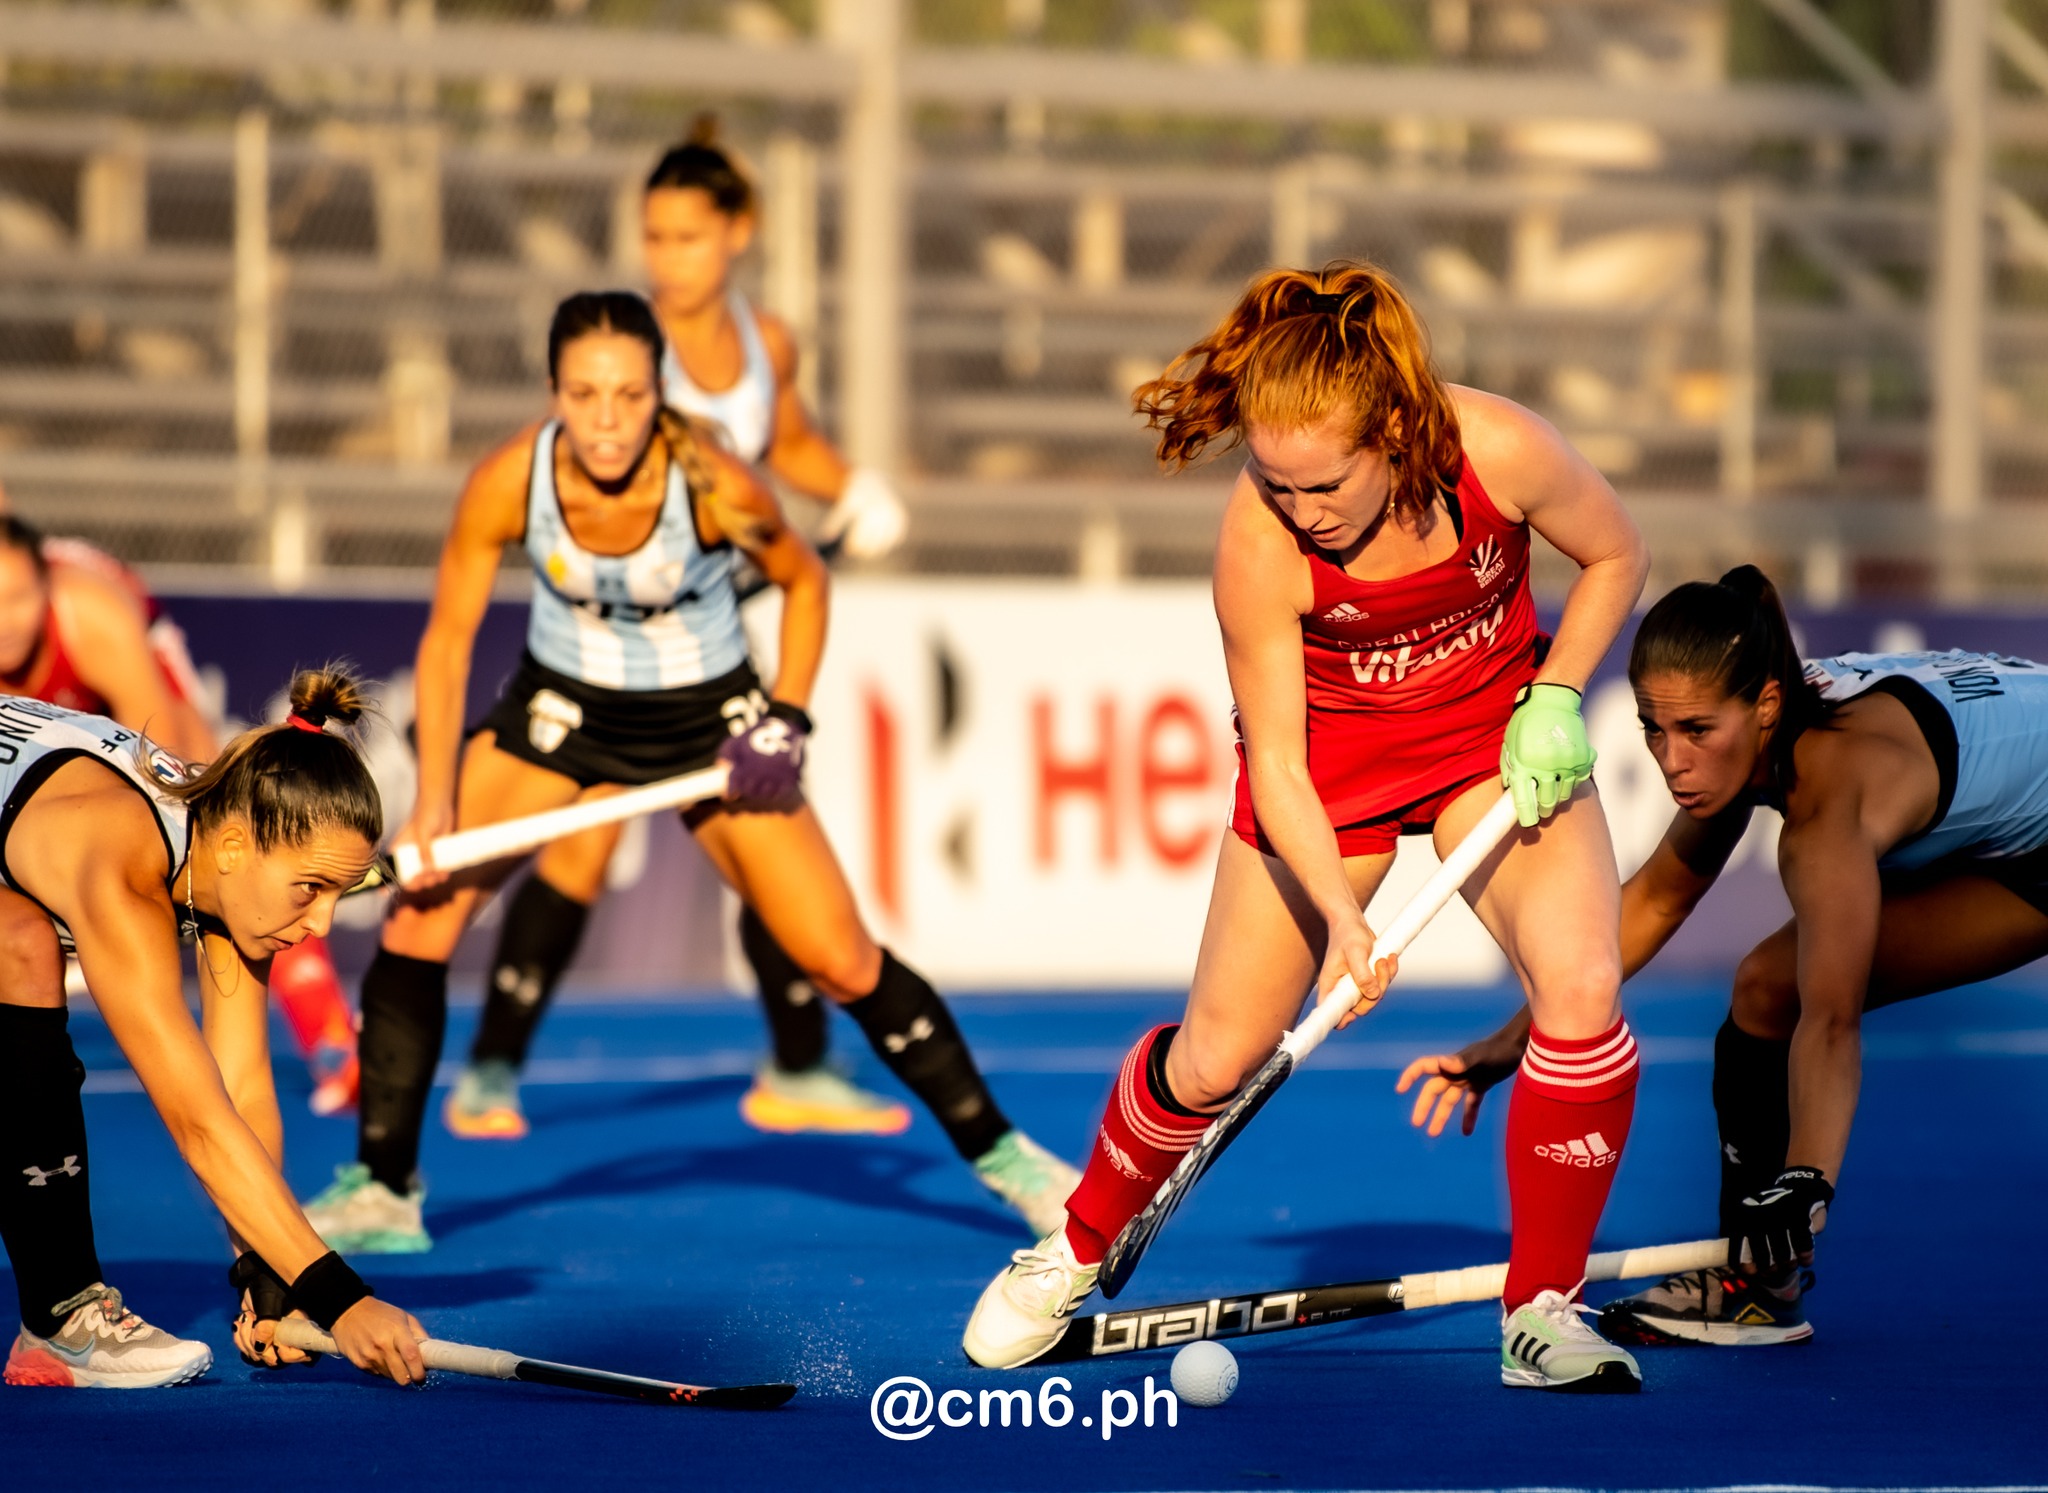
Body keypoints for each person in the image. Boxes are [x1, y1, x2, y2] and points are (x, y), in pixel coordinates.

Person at [961, 263, 1653, 1391]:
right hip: (1331, 775)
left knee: (1578, 988)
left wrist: (1558, 691)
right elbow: (1275, 761)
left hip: (1493, 746)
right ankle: (1075, 1242)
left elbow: (1617, 552)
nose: (1299, 510)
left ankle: (1542, 1309)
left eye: (1319, 484)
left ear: (1392, 427)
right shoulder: (1259, 545)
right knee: (1216, 1055)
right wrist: (1340, 916)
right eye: (1272, 483)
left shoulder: (1499, 451)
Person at [302, 290, 1076, 1255]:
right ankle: (383, 1188)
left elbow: (807, 581)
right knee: (419, 925)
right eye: (585, 395)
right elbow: (450, 640)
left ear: (657, 392)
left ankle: (1012, 1162)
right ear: (554, 393)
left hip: (708, 727)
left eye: (629, 394)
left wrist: (785, 719)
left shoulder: (713, 477)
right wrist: (441, 803)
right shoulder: (510, 480)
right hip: (560, 716)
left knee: (840, 957)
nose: (608, 419)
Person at [1396, 566, 2048, 1347]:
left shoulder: (1827, 804)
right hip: (2010, 825)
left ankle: (1764, 1266)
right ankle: (1759, 1290)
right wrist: (1511, 1044)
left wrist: (1806, 1179)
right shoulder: (1749, 741)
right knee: (1763, 987)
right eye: (1652, 729)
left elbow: (1832, 1020)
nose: (1672, 760)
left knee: (1784, 990)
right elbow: (1652, 902)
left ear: (1764, 708)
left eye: (1696, 731)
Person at [446, 115, 912, 1144]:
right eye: (653, 239)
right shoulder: (633, 361)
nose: (668, 259)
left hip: (721, 644)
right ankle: (491, 1064)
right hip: (618, 641)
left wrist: (855, 486)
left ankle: (795, 1062)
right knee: (575, 847)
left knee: (769, 846)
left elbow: (785, 443)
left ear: (736, 232)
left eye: (688, 238)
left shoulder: (765, 342)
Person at [0, 668, 426, 1388]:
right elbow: (197, 1122)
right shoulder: (123, 860)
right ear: (235, 850)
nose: (322, 921)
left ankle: (52, 1328)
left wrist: (267, 1278)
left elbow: (239, 1089)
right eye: (312, 888)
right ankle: (61, 1316)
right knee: (20, 946)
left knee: (16, 941)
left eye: (338, 893)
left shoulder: (224, 857)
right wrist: (341, 1297)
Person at [0, 519, 362, 1116]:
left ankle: (329, 1038)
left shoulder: (92, 619)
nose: (9, 619)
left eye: (20, 599)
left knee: (239, 848)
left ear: (48, 588)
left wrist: (119, 901)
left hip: (149, 697)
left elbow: (159, 775)